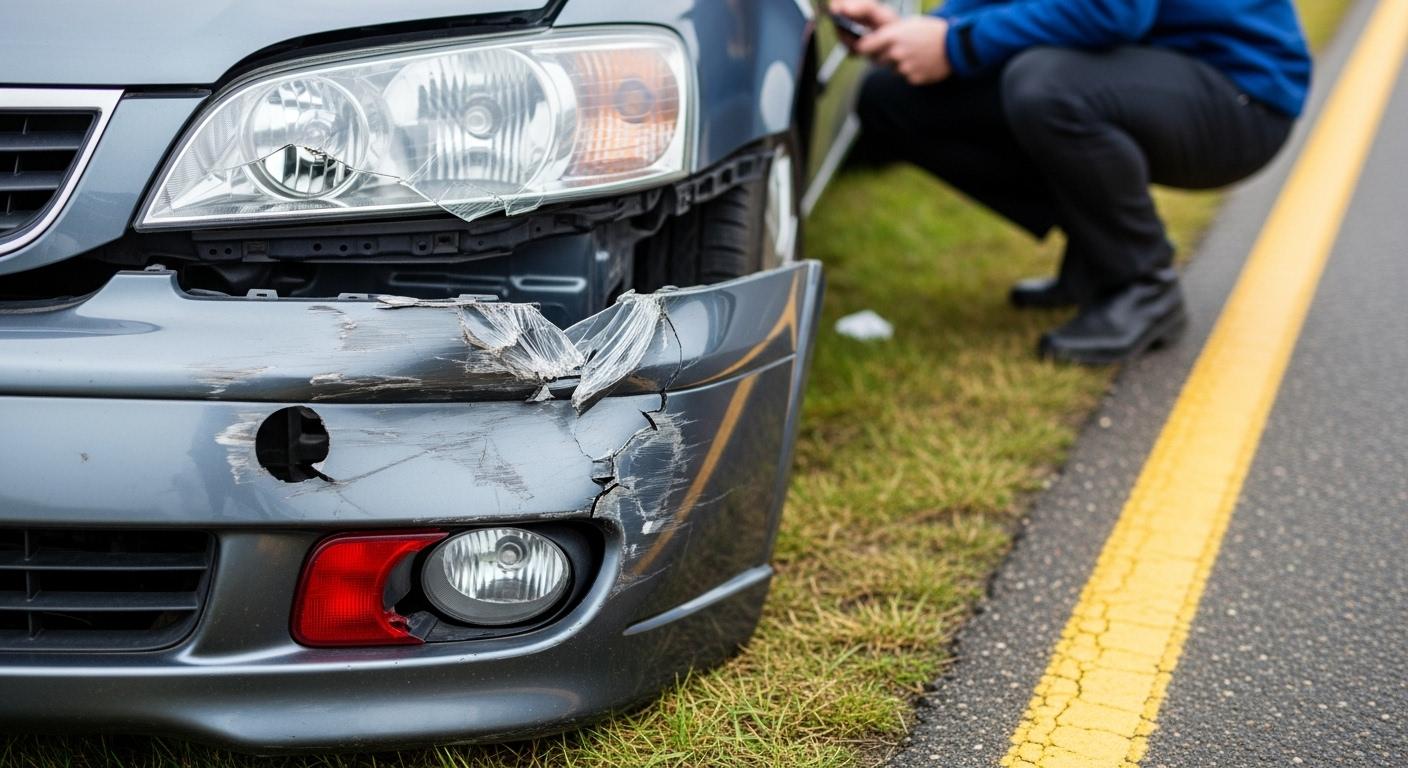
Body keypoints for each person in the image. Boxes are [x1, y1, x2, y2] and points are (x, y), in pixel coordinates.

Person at [832, 0, 1311, 364]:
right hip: (1146, 65)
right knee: (890, 100)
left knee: (1046, 86)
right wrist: (917, 31)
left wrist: (957, 44)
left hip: (1242, 95)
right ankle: (1097, 252)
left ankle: (1145, 286)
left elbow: (1112, 11)